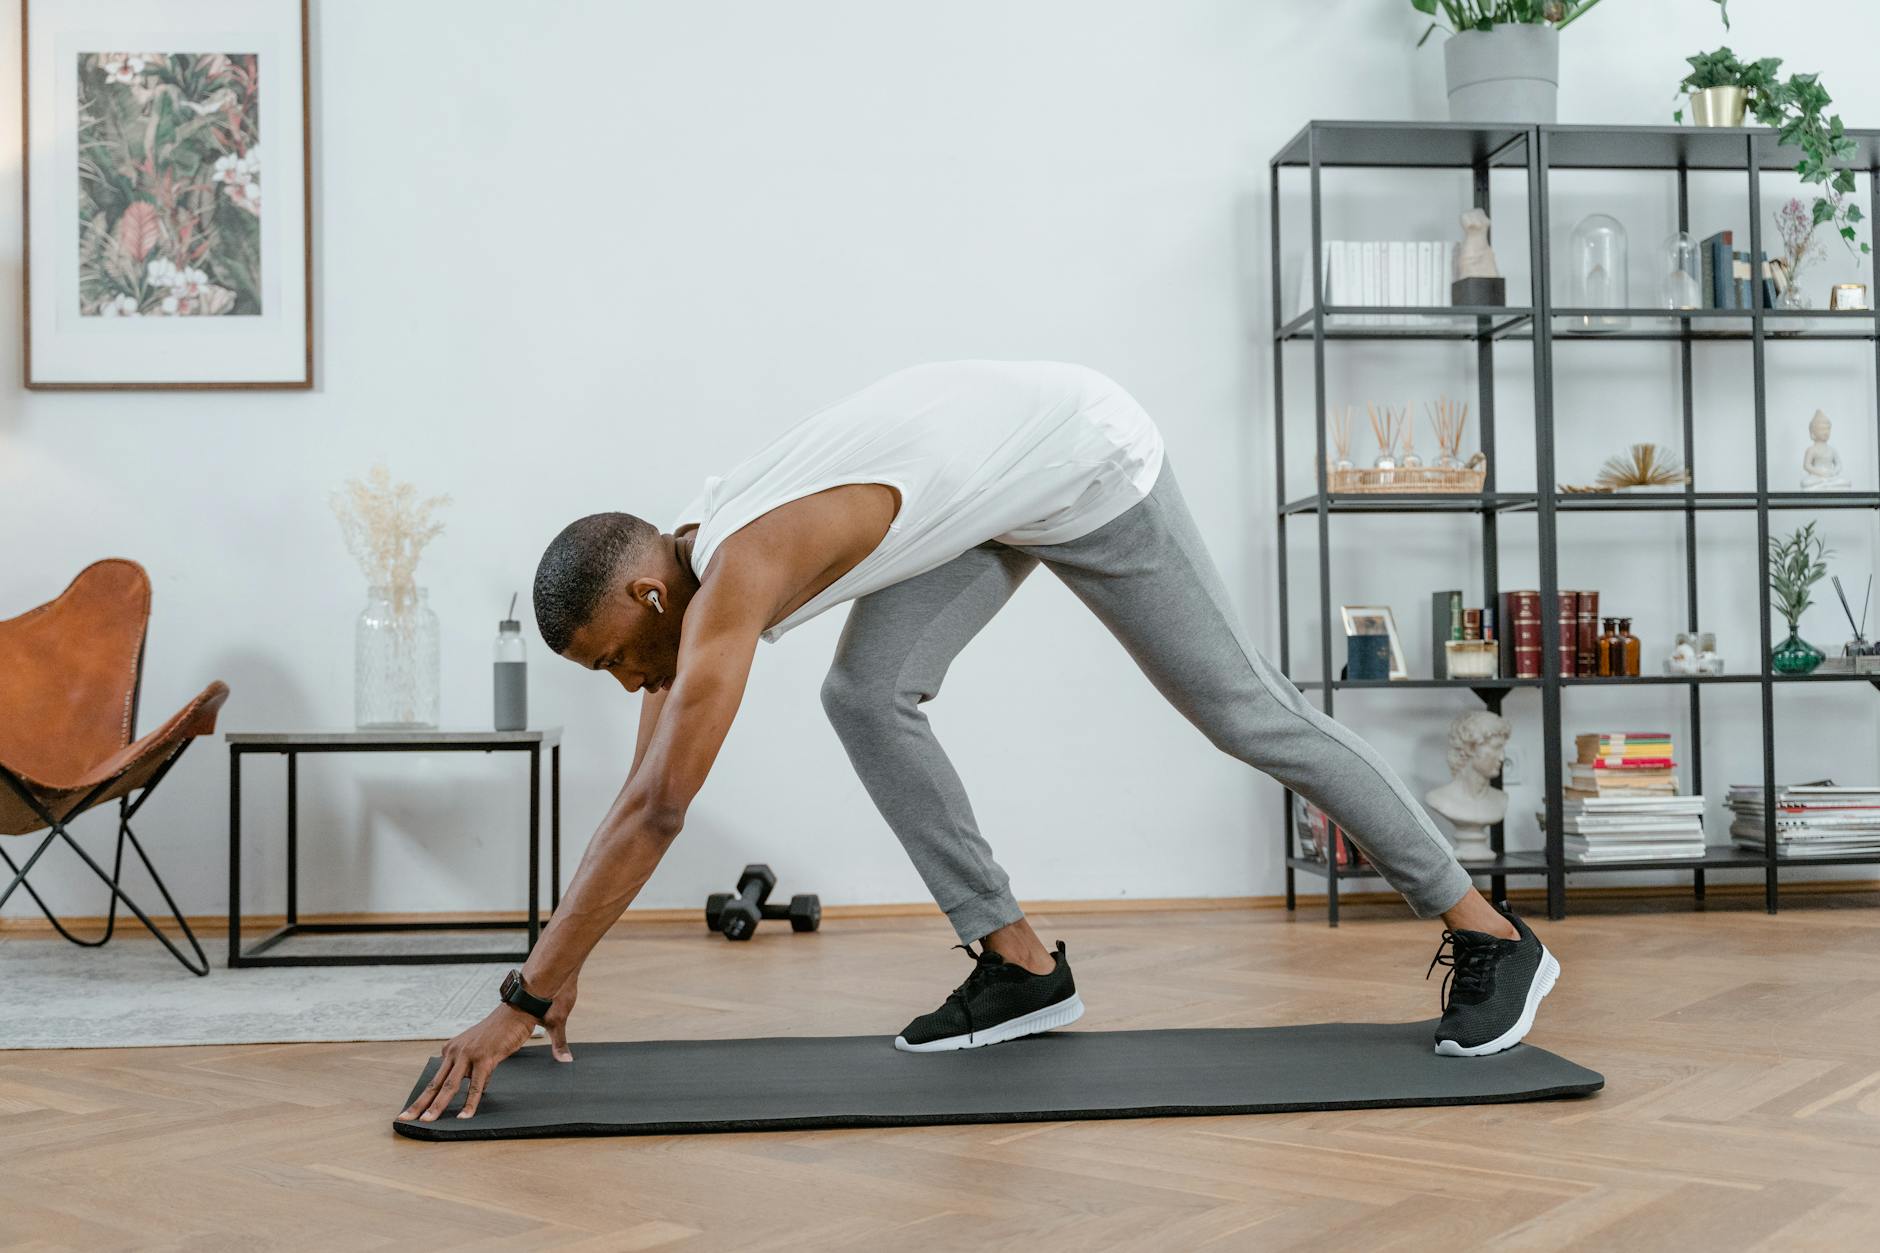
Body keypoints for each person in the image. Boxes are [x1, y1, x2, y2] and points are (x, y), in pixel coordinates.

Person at [399, 360, 1559, 1125]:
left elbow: (659, 811)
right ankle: (1017, 964)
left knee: (1239, 710)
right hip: (982, 485)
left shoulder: (730, 581)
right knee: (866, 693)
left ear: (650, 597)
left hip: (1081, 457)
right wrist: (555, 979)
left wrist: (519, 991)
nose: (622, 681)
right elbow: (635, 793)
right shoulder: (688, 574)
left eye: (610, 656)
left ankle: (1490, 933)